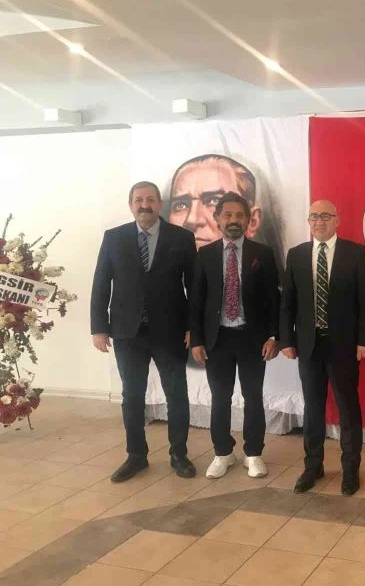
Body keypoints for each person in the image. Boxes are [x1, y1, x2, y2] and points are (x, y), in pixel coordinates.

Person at [90, 181, 196, 482]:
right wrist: (99, 327)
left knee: (177, 394)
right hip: (127, 332)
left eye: (150, 199)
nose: (144, 204)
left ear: (159, 203)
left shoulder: (182, 238)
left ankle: (179, 454)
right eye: (138, 200)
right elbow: (101, 283)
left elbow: (194, 287)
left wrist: (193, 327)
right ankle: (136, 456)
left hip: (170, 331)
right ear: (131, 205)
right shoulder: (114, 238)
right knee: (132, 396)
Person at [280, 200, 365, 496]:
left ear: (337, 220)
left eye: (325, 216)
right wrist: (286, 340)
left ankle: (350, 469)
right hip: (308, 346)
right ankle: (313, 466)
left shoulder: (354, 253)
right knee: (313, 408)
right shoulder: (296, 254)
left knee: (348, 408)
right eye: (313, 216)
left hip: (343, 345)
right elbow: (288, 302)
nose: (319, 221)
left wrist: (364, 340)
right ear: (309, 221)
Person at [189, 192, 281, 479]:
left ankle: (253, 453)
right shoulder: (205, 255)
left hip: (253, 339)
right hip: (217, 339)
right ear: (218, 219)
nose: (233, 220)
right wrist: (197, 340)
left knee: (253, 396)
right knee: (220, 398)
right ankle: (223, 453)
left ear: (248, 220)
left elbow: (274, 299)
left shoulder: (262, 254)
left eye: (239, 215)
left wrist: (274, 336)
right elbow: (196, 301)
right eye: (227, 215)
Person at [167, 154, 281, 261]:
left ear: (252, 221)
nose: (192, 220)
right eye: (181, 205)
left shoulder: (264, 261)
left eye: (214, 201)